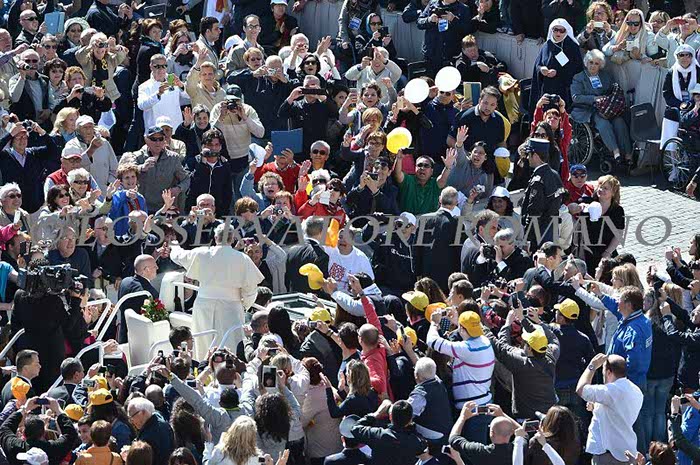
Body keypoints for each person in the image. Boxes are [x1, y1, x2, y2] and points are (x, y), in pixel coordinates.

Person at [170, 224, 264, 361]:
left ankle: (204, 367)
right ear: (232, 239)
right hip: (231, 308)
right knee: (230, 343)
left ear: (215, 238)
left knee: (204, 341)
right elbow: (250, 290)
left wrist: (174, 245)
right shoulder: (242, 259)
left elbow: (179, 256)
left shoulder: (202, 253)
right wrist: (245, 305)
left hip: (204, 305)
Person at [426, 311, 494, 440]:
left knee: (472, 450)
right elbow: (467, 332)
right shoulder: (485, 341)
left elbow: (432, 341)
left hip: (472, 412)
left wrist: (434, 323)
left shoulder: (466, 349)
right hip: (483, 405)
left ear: (462, 328)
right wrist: (458, 323)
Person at [576, 353, 644, 465]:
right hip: (627, 452)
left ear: (608, 372)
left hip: (607, 455)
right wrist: (596, 407)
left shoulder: (611, 391)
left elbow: (581, 389)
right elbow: (617, 412)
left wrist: (592, 366)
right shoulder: (636, 390)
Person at [119, 126, 191, 212]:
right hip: (141, 207)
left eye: (160, 139)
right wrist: (142, 168)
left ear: (164, 140)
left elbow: (186, 179)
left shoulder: (173, 158)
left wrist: (178, 189)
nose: (158, 142)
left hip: (164, 207)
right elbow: (124, 173)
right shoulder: (137, 156)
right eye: (153, 139)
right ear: (146, 140)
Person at [0, 396, 79, 464]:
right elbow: (71, 434)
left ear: (24, 432)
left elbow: (5, 428)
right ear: (44, 433)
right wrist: (58, 410)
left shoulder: (15, 447)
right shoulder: (54, 449)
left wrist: (24, 409)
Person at [528, 19, 584, 113]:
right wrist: (542, 69)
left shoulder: (572, 46)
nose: (558, 33)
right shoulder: (547, 45)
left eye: (561, 31)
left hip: (564, 89)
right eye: (555, 30)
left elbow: (576, 68)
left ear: (566, 31)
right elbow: (538, 64)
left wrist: (558, 72)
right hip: (546, 88)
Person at [412, 187, 461, 293]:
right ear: (456, 203)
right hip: (447, 278)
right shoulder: (456, 224)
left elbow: (416, 248)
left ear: (440, 199)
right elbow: (458, 253)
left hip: (426, 275)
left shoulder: (424, 219)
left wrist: (417, 273)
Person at [350, 400, 427, 465]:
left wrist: (375, 414)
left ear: (390, 417)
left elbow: (355, 428)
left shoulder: (377, 434)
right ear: (410, 420)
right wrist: (411, 428)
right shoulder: (417, 442)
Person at [520, 140, 565, 250]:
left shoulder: (538, 180)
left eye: (529, 154)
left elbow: (534, 211)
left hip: (539, 232)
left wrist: (527, 238)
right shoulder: (554, 174)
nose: (527, 158)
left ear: (535, 155)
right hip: (552, 228)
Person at [417, 0, 473, 74]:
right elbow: (419, 23)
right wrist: (429, 19)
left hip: (452, 56)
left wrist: (454, 19)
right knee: (430, 79)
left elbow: (467, 29)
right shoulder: (432, 4)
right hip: (432, 53)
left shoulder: (463, 8)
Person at [117, 254, 159, 344]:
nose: (157, 268)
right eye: (154, 266)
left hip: (123, 336)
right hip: (140, 342)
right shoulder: (148, 293)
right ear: (147, 269)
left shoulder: (125, 282)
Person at [127, 398, 175, 465]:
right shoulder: (157, 416)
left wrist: (129, 455)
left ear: (143, 412)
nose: (131, 421)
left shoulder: (148, 438)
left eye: (132, 416)